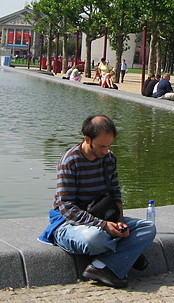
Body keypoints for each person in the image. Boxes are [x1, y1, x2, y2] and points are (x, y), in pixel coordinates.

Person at [38, 115, 156, 289]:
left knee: (148, 228)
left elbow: (115, 194)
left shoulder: (109, 159)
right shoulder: (70, 161)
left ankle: (102, 266)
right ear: (88, 139)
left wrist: (120, 221)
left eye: (108, 146)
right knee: (95, 238)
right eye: (101, 146)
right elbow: (67, 207)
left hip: (102, 215)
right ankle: (124, 255)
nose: (105, 151)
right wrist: (103, 225)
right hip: (69, 222)